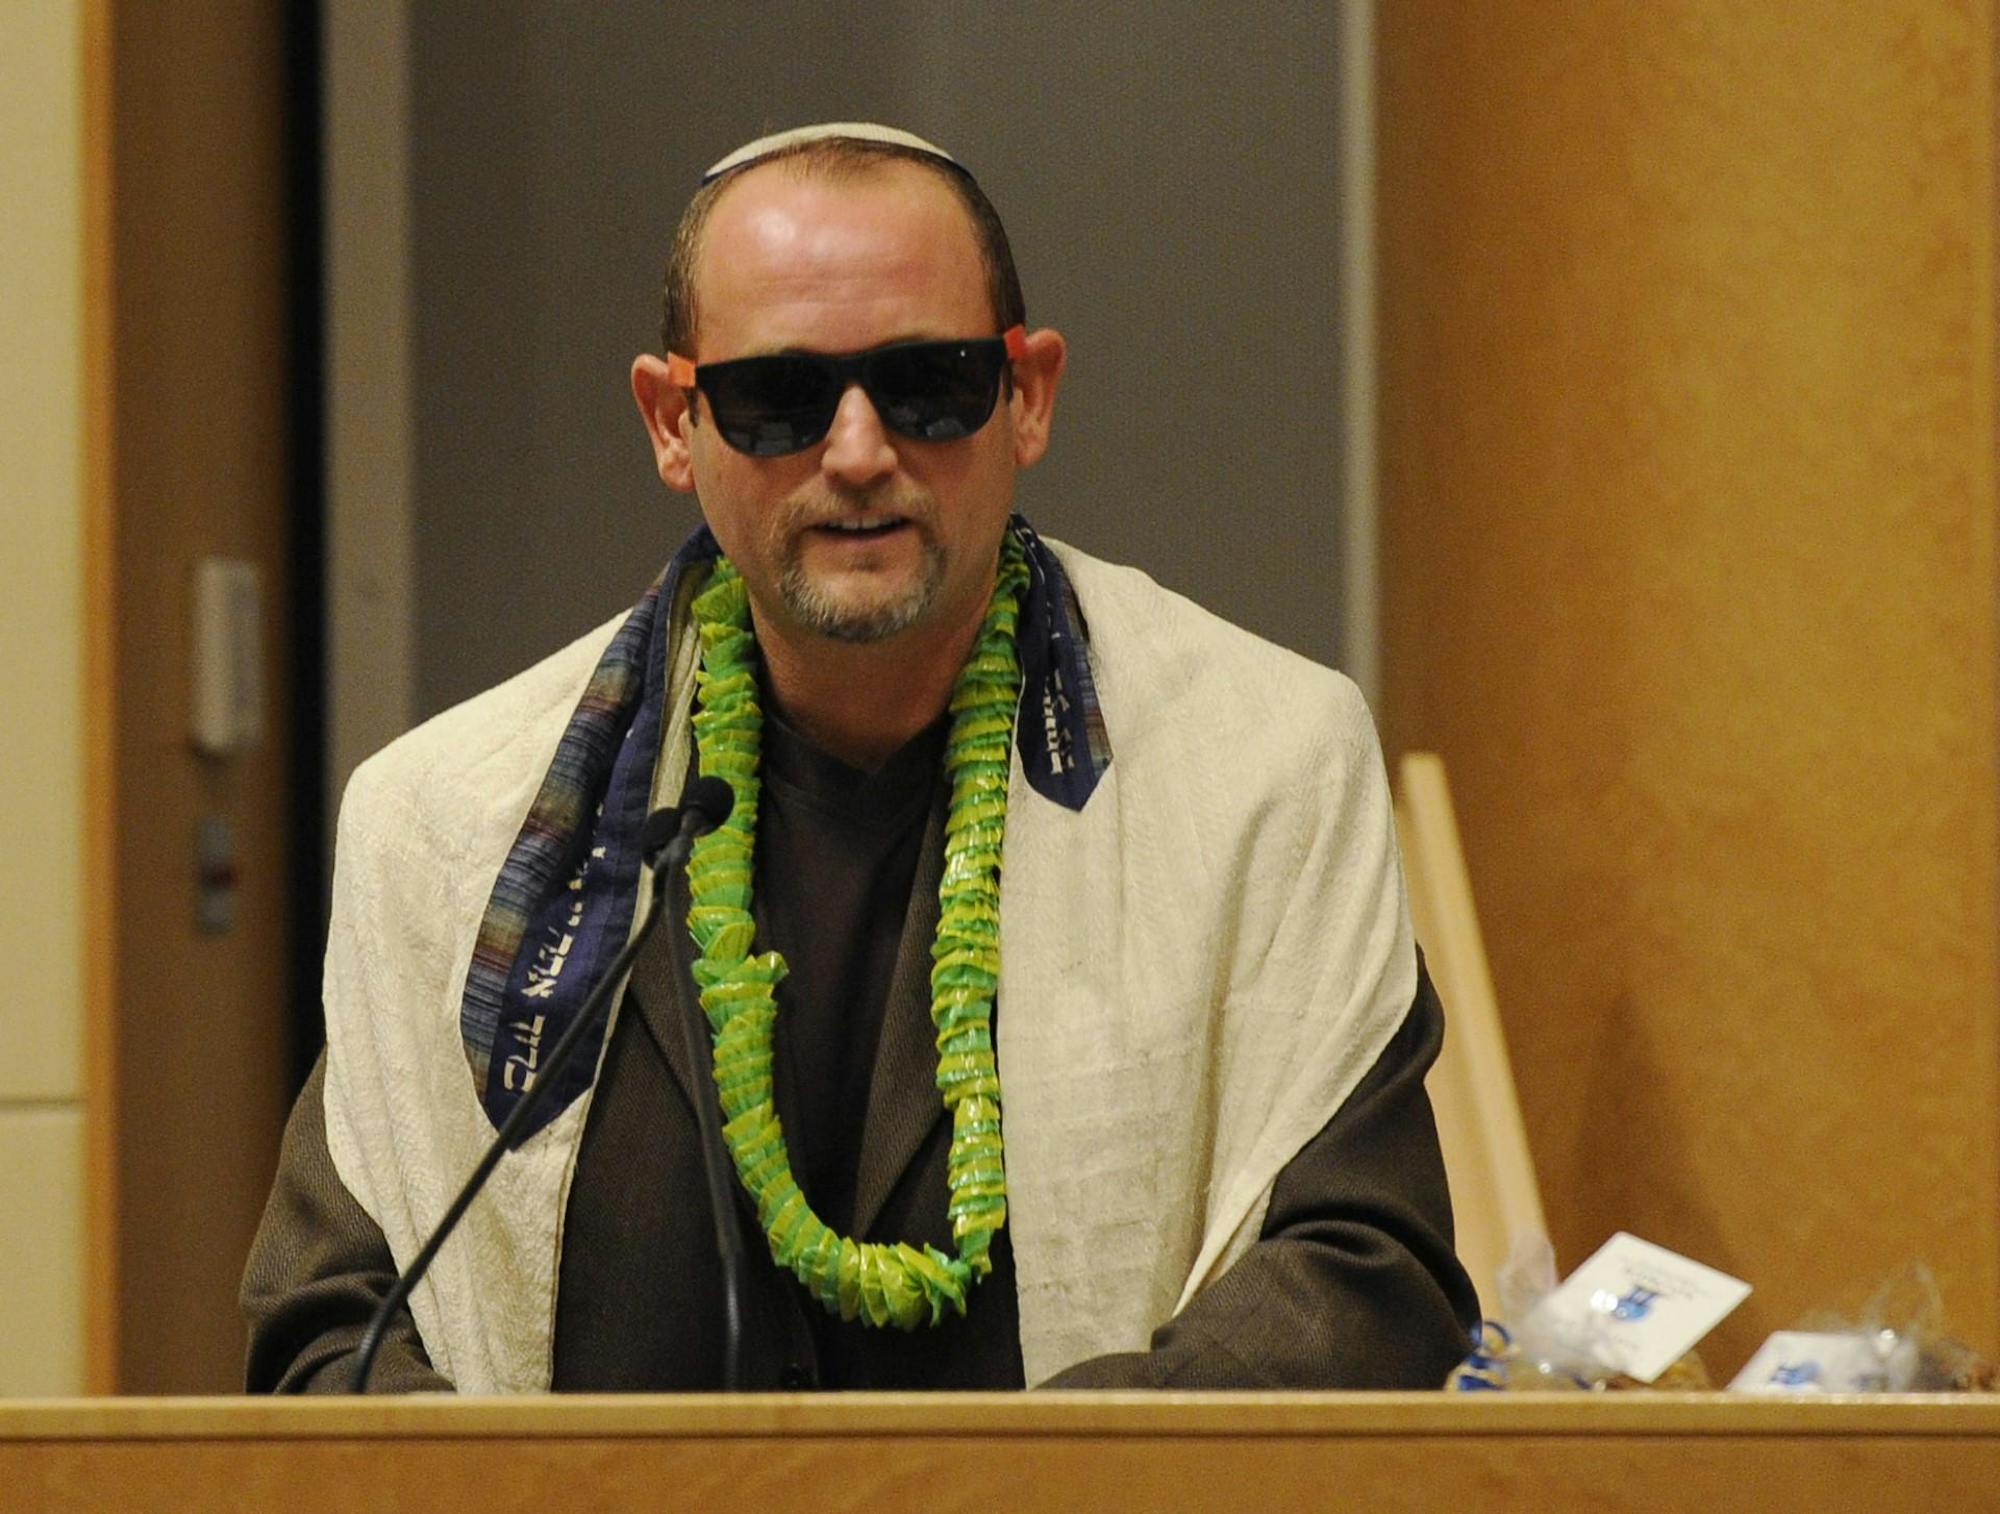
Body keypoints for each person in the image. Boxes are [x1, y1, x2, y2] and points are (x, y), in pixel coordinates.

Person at [242, 123, 1478, 1393]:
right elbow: (330, 1330)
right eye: (778, 397)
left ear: (1027, 395)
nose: (855, 451)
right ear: (672, 421)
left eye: (926, 382)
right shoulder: (448, 822)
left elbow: (1365, 1276)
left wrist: (1014, 1481)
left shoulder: (1264, 768)